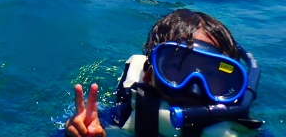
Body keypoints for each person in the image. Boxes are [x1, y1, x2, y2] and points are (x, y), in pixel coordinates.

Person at [65, 9, 261, 137]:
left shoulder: (238, 130)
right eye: (177, 67)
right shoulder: (119, 117)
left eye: (214, 75)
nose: (194, 87)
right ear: (149, 75)